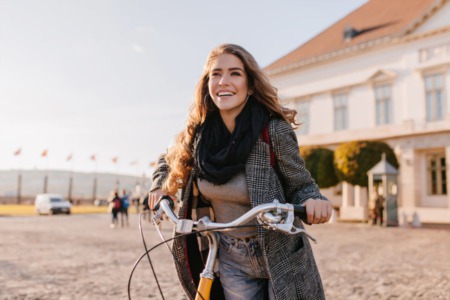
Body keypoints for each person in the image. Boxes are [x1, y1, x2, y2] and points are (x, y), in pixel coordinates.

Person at [148, 44, 332, 300]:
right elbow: (167, 160)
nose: (224, 81)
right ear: (207, 84)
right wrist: (159, 187)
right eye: (216, 74)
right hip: (230, 255)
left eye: (235, 73)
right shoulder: (198, 136)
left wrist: (314, 202)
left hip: (279, 250)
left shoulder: (272, 131)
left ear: (251, 85)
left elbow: (301, 185)